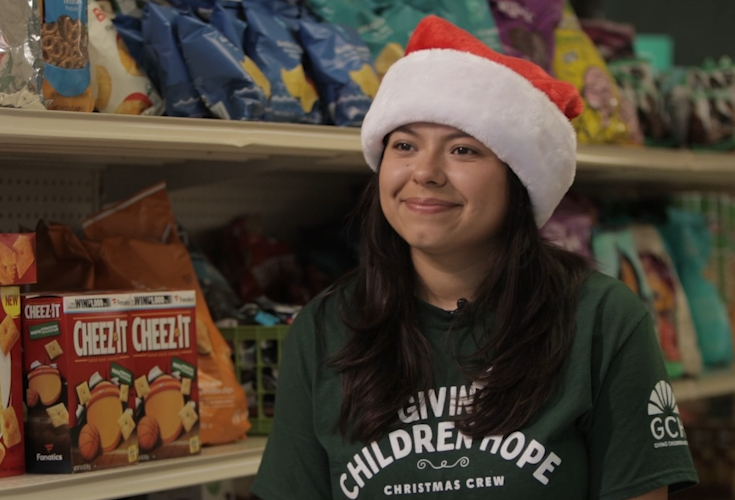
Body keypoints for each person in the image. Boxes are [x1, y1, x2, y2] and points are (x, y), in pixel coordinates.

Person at [251, 15, 698, 500]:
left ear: (519, 181)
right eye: (404, 145)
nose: (425, 172)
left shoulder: (602, 321)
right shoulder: (325, 329)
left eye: (463, 150)